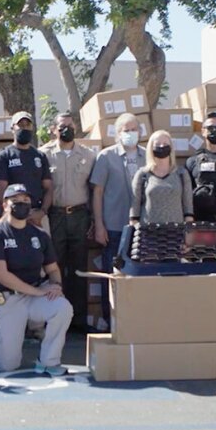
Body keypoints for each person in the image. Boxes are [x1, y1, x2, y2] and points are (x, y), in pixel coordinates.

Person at [0, 184, 73, 375]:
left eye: (25, 201)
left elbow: (53, 269)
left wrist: (56, 285)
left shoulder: (39, 235)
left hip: (34, 296)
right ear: (5, 205)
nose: (21, 205)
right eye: (15, 201)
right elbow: (0, 274)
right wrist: (38, 291)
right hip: (7, 300)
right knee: (8, 364)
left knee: (62, 307)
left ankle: (49, 361)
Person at [88, 112, 145, 328]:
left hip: (140, 228)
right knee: (111, 275)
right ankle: (109, 319)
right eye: (126, 130)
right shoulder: (106, 156)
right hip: (113, 225)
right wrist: (99, 225)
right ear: (117, 133)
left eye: (134, 129)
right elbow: (98, 193)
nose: (130, 133)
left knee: (137, 274)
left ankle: (135, 321)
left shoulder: (146, 156)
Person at [41, 112, 96, 332]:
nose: (67, 129)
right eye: (62, 126)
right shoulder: (44, 154)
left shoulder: (88, 155)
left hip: (80, 216)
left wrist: (93, 219)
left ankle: (79, 319)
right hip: (55, 215)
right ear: (54, 129)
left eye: (70, 125)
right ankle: (55, 318)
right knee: (55, 267)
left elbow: (93, 190)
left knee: (79, 268)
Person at [0, 110, 54, 233]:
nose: (24, 128)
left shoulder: (40, 156)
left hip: (37, 216)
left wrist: (42, 212)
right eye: (20, 125)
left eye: (28, 125)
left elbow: (48, 188)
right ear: (12, 128)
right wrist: (20, 213)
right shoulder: (3, 156)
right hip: (12, 215)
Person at [131, 131, 195, 225]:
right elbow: (134, 210)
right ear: (150, 148)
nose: (161, 146)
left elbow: (188, 209)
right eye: (157, 144)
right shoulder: (142, 174)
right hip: (148, 232)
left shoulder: (181, 173)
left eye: (165, 144)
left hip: (175, 233)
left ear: (171, 148)